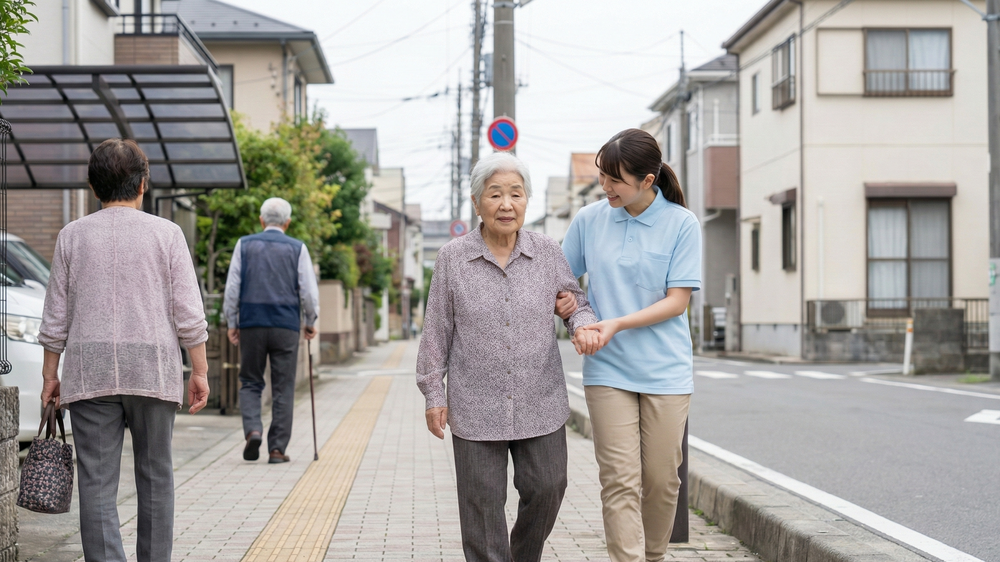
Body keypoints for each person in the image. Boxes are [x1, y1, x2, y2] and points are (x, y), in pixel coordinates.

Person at [417, 151, 600, 562]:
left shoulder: (547, 252)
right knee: (482, 507)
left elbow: (576, 302)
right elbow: (436, 330)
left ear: (526, 201)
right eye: (495, 194)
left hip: (540, 399)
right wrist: (433, 393)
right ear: (476, 201)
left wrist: (582, 323)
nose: (506, 204)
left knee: (548, 486)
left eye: (516, 194)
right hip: (475, 404)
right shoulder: (452, 258)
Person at [38, 138, 210, 562]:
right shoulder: (167, 234)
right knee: (156, 476)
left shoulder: (72, 236)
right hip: (152, 366)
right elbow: (189, 313)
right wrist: (200, 371)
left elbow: (55, 317)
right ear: (142, 184)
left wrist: (50, 375)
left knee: (96, 482)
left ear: (93, 187)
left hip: (89, 368)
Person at [562, 128, 702, 562]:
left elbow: (677, 302)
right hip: (607, 368)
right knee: (619, 481)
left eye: (615, 180)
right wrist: (571, 308)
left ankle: (653, 556)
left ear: (647, 180)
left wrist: (616, 323)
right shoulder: (589, 220)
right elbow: (561, 280)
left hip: (665, 370)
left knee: (663, 480)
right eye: (602, 176)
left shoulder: (681, 224)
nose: (605, 186)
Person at [224, 197, 319, 464]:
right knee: (283, 387)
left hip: (251, 322)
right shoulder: (297, 248)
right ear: (287, 223)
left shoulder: (244, 244)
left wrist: (232, 322)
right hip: (285, 324)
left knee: (250, 381)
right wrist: (310, 320)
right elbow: (308, 292)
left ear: (261, 220)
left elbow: (232, 288)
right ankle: (276, 449)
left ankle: (253, 430)